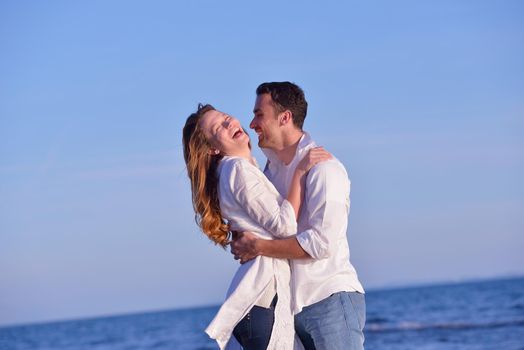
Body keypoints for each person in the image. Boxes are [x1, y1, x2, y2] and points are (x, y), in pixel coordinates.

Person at [182, 104, 331, 349]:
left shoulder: (234, 171)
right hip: (264, 300)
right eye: (219, 127)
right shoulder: (237, 170)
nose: (230, 124)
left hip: (259, 303)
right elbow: (284, 226)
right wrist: (301, 172)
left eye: (227, 118)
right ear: (213, 148)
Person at [230, 82, 366, 350]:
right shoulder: (268, 176)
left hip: (328, 300)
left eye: (259, 114)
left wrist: (258, 247)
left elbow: (320, 244)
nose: (252, 123)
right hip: (287, 310)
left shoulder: (325, 169)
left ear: (285, 118)